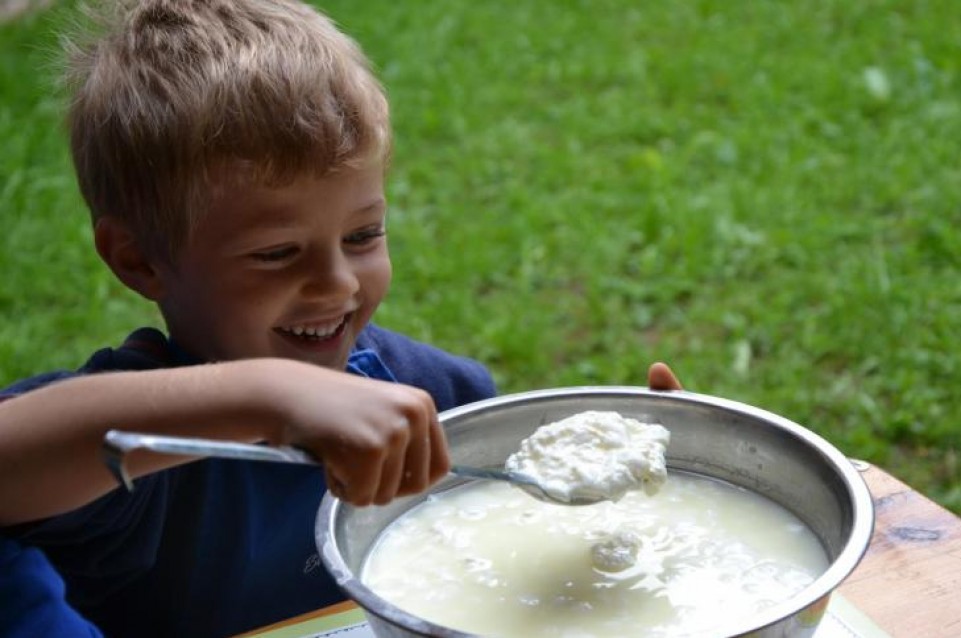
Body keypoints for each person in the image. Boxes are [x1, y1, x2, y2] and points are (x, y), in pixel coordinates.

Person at [0, 1, 681, 636]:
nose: (334, 282)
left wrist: (637, 483)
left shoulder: (434, 396)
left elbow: (517, 550)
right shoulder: (145, 470)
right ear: (139, 259)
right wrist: (264, 398)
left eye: (363, 236)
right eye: (275, 253)